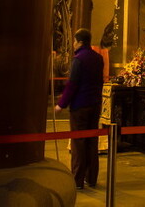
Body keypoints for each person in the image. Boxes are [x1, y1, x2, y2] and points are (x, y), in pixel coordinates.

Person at [54, 28, 104, 190]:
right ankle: (91, 178)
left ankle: (77, 180)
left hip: (80, 106)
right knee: (91, 141)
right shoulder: (98, 58)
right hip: (95, 104)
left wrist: (61, 104)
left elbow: (72, 85)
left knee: (78, 143)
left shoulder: (78, 60)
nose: (73, 44)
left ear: (80, 42)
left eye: (75, 41)